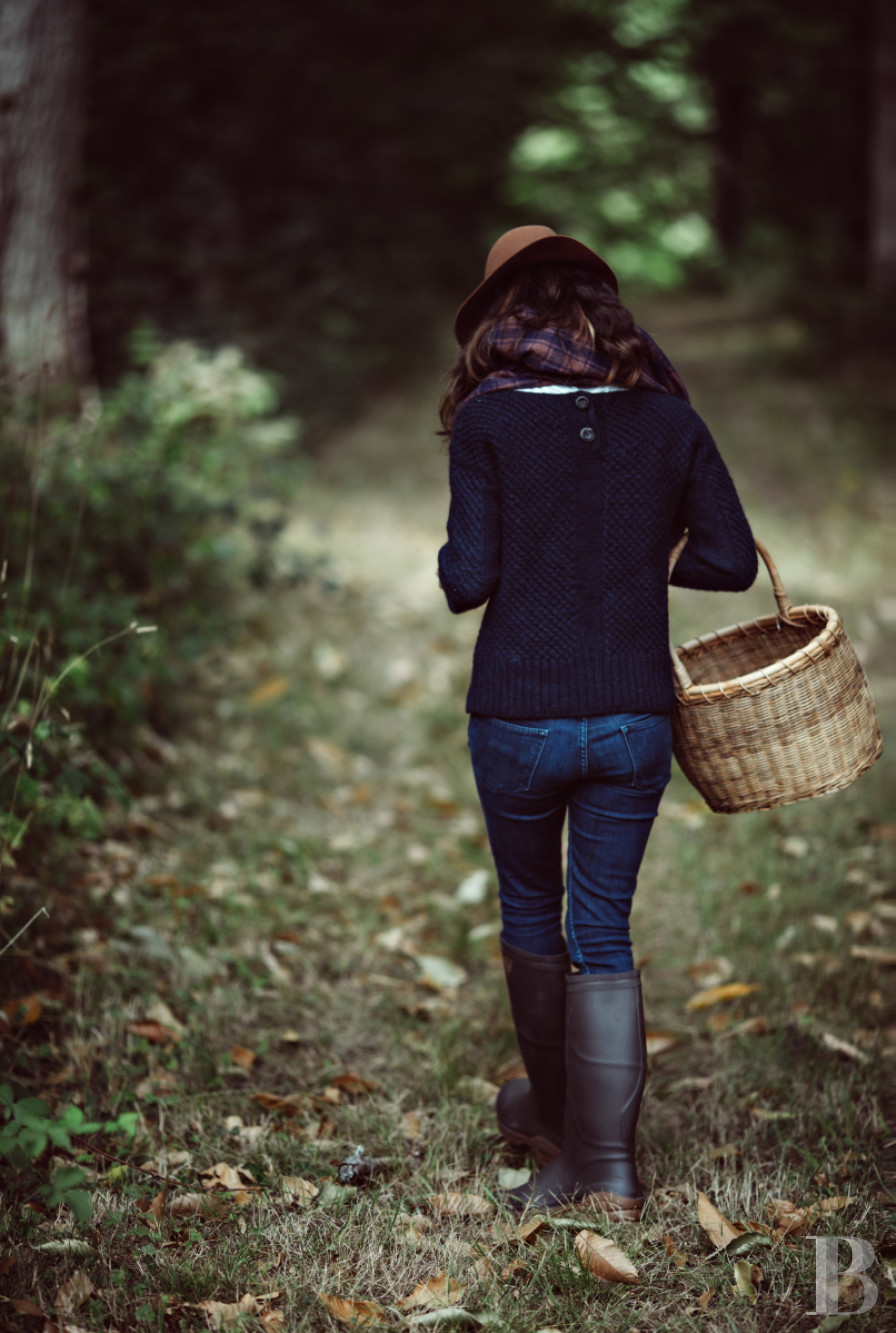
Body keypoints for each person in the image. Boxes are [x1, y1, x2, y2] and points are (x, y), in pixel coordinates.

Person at [437, 225, 757, 1217]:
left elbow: (466, 580)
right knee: (601, 929)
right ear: (601, 307)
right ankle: (601, 1164)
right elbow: (729, 560)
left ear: (503, 314)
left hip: (517, 718)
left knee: (532, 914)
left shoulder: (488, 420)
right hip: (631, 720)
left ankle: (561, 1126)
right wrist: (631, 562)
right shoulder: (669, 421)